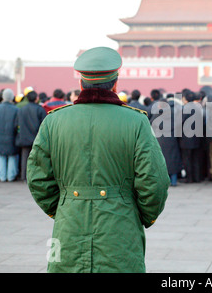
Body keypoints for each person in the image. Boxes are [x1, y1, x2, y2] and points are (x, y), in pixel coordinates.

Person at [27, 47, 169, 273]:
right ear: (115, 83)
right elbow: (155, 180)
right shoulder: (136, 122)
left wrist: (64, 206)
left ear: (81, 84)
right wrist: (139, 214)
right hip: (120, 226)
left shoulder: (53, 121)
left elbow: (37, 178)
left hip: (69, 224)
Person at [15, 90, 47, 181]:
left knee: (24, 158)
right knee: (37, 158)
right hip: (36, 138)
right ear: (36, 98)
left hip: (24, 137)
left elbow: (17, 123)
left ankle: (24, 176)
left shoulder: (21, 109)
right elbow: (44, 124)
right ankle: (34, 177)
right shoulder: (40, 109)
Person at [0, 89, 19, 182]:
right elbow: (17, 125)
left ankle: (2, 176)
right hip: (11, 136)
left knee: (1, 156)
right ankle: (10, 176)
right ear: (11, 97)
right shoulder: (16, 109)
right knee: (12, 156)